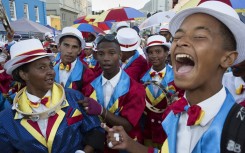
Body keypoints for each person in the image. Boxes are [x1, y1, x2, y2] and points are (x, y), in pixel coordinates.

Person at [102, 1, 245, 153]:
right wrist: (131, 144)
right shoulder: (174, 116)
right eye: (177, 37)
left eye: (199, 36)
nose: (181, 42)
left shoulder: (239, 128)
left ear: (227, 59)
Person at [0, 39, 105, 152]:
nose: (51, 71)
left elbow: (96, 131)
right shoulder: (6, 118)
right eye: (42, 67)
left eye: (50, 66)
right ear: (24, 74)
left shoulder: (74, 97)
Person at [79, 34, 146, 152]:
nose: (106, 58)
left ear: (120, 55)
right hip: (98, 147)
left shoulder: (135, 89)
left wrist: (101, 110)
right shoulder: (90, 87)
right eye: (101, 54)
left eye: (111, 53)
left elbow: (128, 126)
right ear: (96, 56)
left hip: (125, 148)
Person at [140, 35, 183, 149]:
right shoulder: (142, 78)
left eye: (158, 52)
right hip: (148, 131)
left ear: (166, 53)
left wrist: (176, 102)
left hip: (168, 130)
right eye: (150, 52)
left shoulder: (177, 77)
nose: (154, 56)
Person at [53, 27, 95, 94]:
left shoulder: (87, 73)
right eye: (66, 45)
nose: (69, 51)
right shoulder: (50, 69)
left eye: (74, 47)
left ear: (79, 50)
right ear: (59, 47)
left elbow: (88, 100)